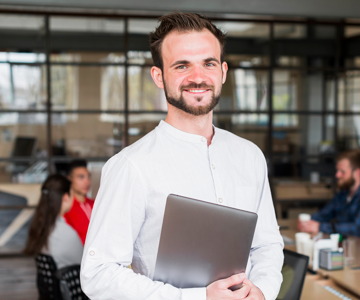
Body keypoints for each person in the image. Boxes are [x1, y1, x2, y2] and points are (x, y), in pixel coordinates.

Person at [80, 12, 283, 300]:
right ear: (159, 76)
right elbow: (98, 274)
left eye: (208, 63)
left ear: (223, 71)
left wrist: (262, 291)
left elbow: (267, 245)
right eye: (182, 66)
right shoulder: (131, 166)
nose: (197, 77)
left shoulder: (250, 156)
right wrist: (200, 297)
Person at [298, 149, 360, 237]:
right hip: (345, 244)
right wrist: (307, 222)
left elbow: (358, 229)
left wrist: (320, 227)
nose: (337, 175)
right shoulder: (344, 193)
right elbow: (325, 213)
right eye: (337, 170)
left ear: (357, 172)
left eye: (342, 172)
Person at [24, 175, 83, 269]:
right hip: (69, 282)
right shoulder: (66, 233)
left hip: (53, 282)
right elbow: (85, 265)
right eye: (73, 193)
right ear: (66, 197)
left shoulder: (41, 226)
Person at [64, 159, 94, 244]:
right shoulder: (66, 208)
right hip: (76, 254)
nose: (87, 181)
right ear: (69, 179)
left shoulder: (96, 204)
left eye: (88, 177)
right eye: (81, 177)